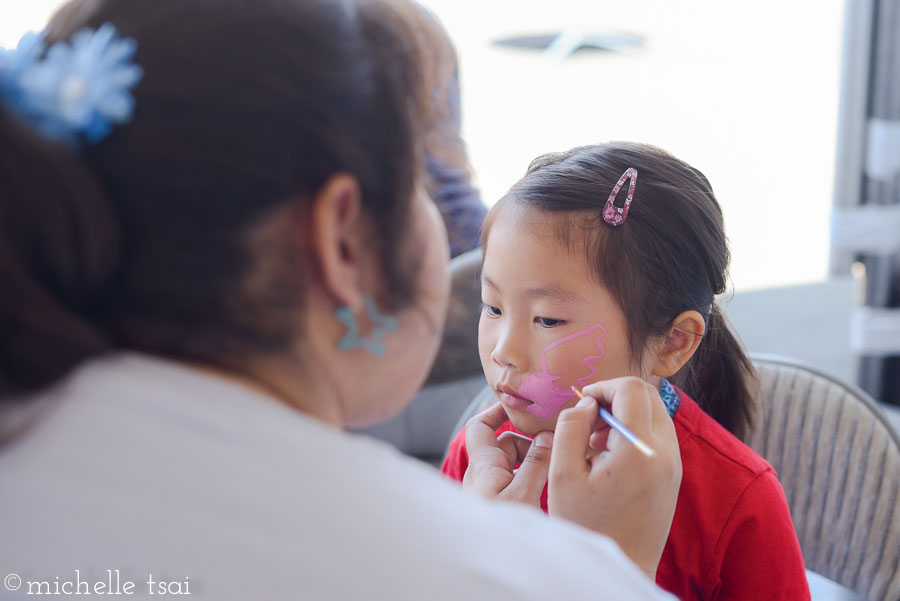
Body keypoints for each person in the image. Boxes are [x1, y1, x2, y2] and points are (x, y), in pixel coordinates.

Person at [0, 1, 683, 599]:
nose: (506, 347)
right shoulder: (507, 575)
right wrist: (603, 570)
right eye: (419, 175)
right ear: (342, 240)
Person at [442, 142, 811, 600]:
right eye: (492, 307)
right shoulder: (480, 460)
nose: (504, 351)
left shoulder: (738, 502)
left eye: (549, 320)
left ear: (673, 343)